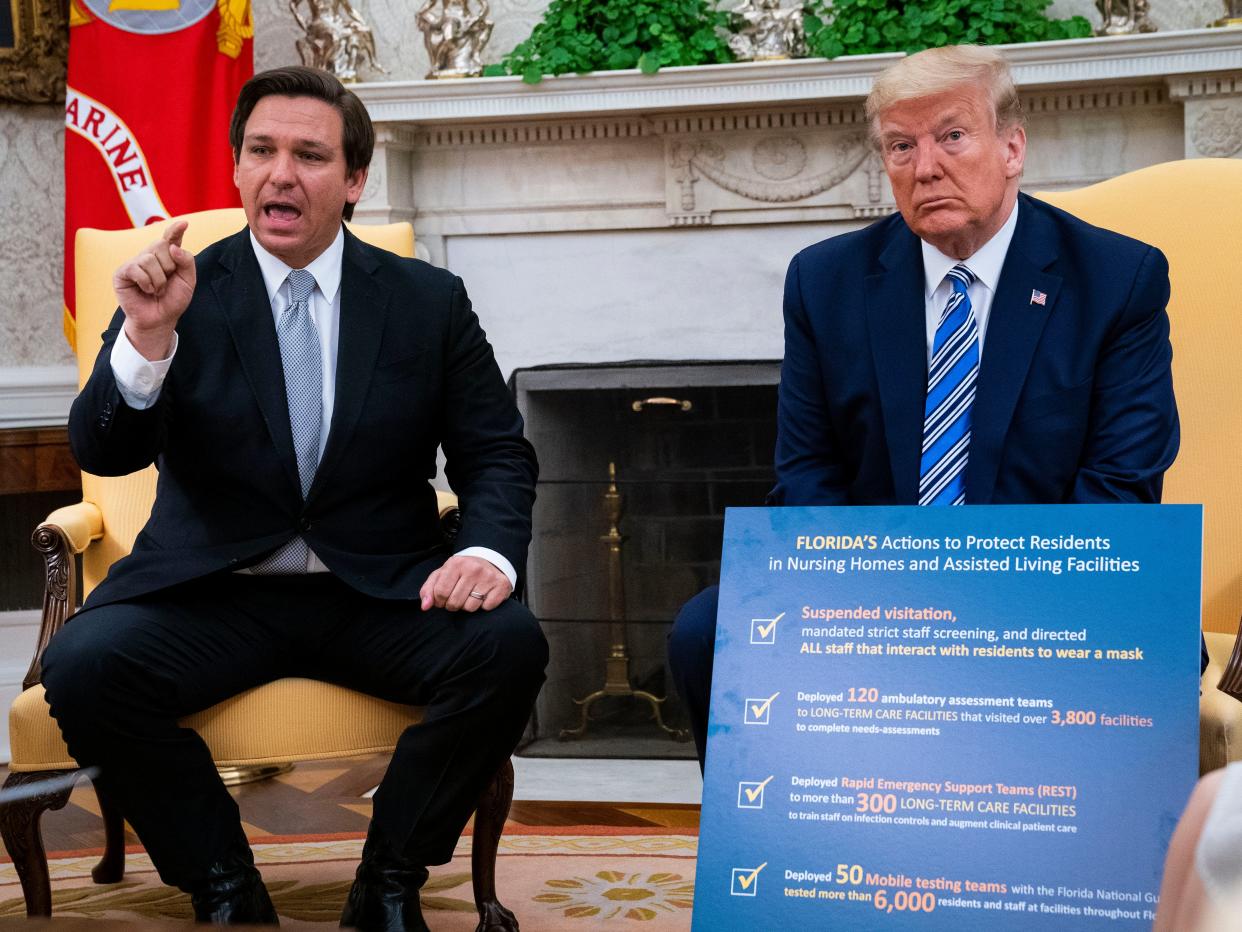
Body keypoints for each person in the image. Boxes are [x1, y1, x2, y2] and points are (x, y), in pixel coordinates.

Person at [41, 65, 546, 931]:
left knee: (508, 647)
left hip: (378, 590)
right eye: (261, 151)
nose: (281, 173)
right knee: (84, 669)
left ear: (352, 181)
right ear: (237, 169)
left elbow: (497, 450)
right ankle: (224, 885)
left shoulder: (427, 302)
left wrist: (486, 551)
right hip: (214, 594)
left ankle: (388, 880)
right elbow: (105, 451)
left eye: (310, 155)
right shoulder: (179, 291)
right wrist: (146, 339)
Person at [667, 43, 1181, 771]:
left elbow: (1121, 487)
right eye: (900, 146)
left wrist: (979, 607)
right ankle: (786, 857)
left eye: (952, 136)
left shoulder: (1118, 279)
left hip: (1057, 586)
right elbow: (807, 477)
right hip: (877, 588)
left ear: (1012, 147)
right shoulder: (826, 281)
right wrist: (894, 606)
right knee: (707, 630)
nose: (925, 167)